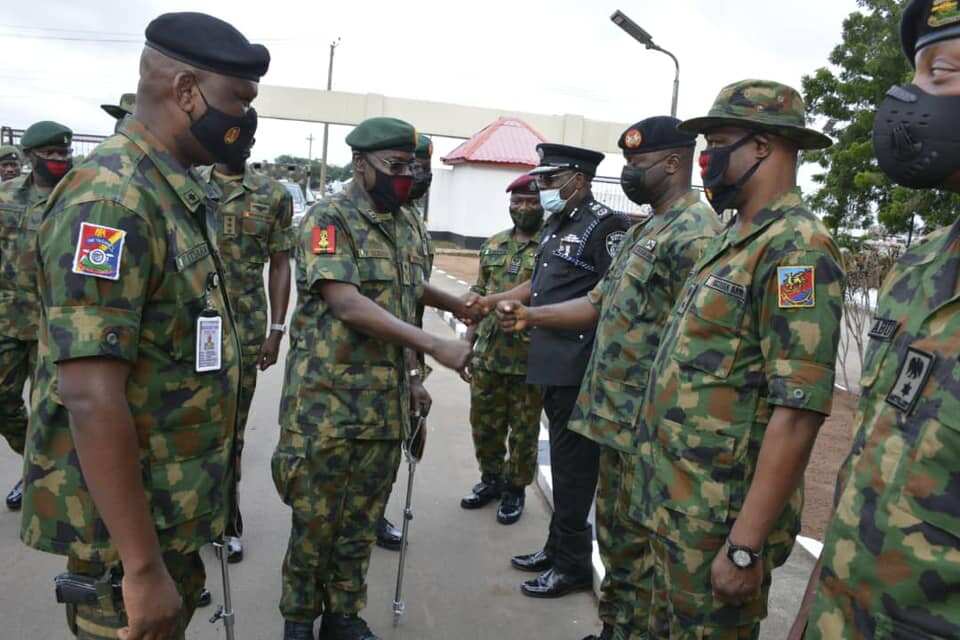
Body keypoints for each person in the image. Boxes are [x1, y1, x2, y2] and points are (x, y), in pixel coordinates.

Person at [19, 12, 267, 639]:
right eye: (239, 99)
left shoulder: (171, 187)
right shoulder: (112, 200)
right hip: (125, 541)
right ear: (185, 91)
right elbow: (89, 394)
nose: (247, 120)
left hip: (170, 512)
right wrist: (141, 567)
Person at [627, 80, 845, 639]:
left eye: (719, 141)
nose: (706, 158)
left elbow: (797, 409)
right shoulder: (736, 238)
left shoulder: (796, 249)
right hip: (673, 507)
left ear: (765, 147)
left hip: (715, 524)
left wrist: (745, 547)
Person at [498, 117, 721, 639]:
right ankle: (613, 629)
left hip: (650, 423)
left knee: (644, 549)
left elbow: (697, 338)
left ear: (672, 163)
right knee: (618, 540)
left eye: (637, 165)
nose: (628, 173)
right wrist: (531, 315)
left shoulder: (697, 233)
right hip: (616, 418)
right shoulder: (647, 226)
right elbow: (598, 303)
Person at [790, 3, 960, 637]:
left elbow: (797, 379)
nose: (910, 99)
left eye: (938, 74)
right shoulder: (921, 264)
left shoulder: (796, 250)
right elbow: (866, 467)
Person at [274, 116, 473, 640]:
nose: (406, 175)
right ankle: (298, 620)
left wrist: (454, 310)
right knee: (316, 520)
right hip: (326, 405)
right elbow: (347, 301)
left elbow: (408, 287)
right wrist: (434, 344)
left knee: (361, 519)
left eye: (412, 165)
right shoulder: (328, 219)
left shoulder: (406, 221)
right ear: (361, 165)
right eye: (394, 165)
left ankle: (342, 614)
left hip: (385, 402)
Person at [470, 143, 632, 598]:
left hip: (578, 368)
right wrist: (493, 300)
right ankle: (556, 548)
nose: (541, 189)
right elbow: (539, 285)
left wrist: (533, 317)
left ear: (577, 181)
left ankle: (573, 565)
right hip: (550, 363)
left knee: (574, 471)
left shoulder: (605, 227)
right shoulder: (558, 223)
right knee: (562, 466)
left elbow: (607, 302)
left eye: (548, 179)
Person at [198, 132, 293, 565]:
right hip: (186, 326)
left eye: (241, 135)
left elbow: (279, 263)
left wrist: (276, 328)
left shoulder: (272, 196)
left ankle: (224, 521)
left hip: (242, 330)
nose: (232, 142)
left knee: (230, 433)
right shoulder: (188, 182)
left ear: (252, 143)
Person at [461, 173, 544, 525]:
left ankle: (515, 488)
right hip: (489, 355)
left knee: (523, 431)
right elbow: (478, 294)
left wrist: (488, 301)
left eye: (529, 202)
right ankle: (491, 479)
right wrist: (467, 341)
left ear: (542, 205)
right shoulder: (493, 245)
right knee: (484, 424)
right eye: (516, 202)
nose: (522, 208)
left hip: (530, 356)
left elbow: (535, 289)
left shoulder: (551, 247)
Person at [0, 121, 72, 512]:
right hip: (8, 320)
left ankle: (38, 477)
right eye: (51, 155)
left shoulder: (79, 195)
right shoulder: (6, 197)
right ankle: (34, 462)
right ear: (31, 157)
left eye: (64, 154)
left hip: (55, 324)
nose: (60, 161)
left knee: (53, 409)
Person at [372, 132, 439, 553]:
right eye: (410, 166)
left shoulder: (413, 218)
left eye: (424, 168)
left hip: (405, 353)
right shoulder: (374, 218)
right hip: (369, 357)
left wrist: (415, 370)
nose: (418, 174)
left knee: (398, 441)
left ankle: (375, 513)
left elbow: (414, 292)